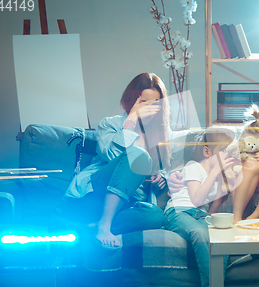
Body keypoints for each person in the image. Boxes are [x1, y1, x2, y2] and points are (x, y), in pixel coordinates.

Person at [60, 72, 171, 249]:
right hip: (95, 194)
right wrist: (132, 119)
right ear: (132, 100)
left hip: (128, 202)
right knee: (137, 155)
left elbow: (165, 169)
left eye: (155, 103)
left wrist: (162, 177)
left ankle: (94, 227)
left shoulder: (162, 134)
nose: (149, 108)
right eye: (143, 102)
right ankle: (104, 225)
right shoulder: (109, 124)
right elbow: (112, 155)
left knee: (155, 216)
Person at [164, 127, 236, 287]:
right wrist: (215, 171)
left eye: (229, 152)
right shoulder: (193, 167)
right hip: (178, 211)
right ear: (207, 152)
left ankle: (217, 283)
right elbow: (196, 199)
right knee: (199, 232)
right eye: (223, 151)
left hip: (200, 214)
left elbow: (211, 210)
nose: (227, 156)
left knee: (220, 237)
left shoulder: (217, 178)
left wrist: (223, 185)